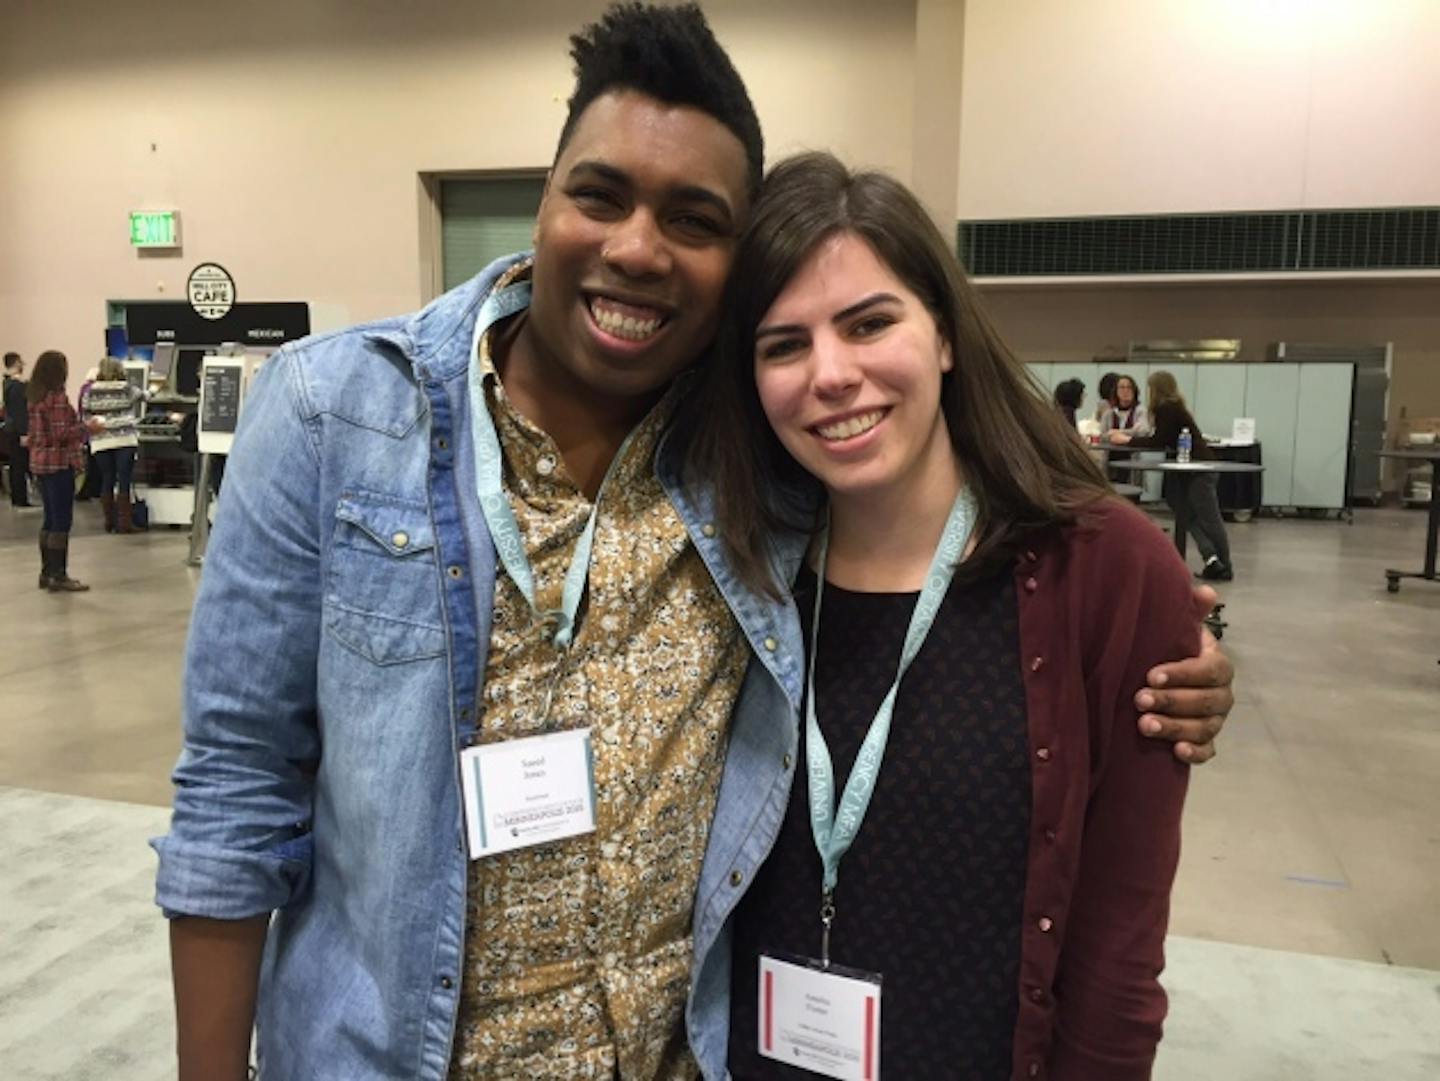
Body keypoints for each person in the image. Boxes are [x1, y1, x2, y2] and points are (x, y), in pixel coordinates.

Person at [153, 7, 1234, 1080]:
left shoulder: (748, 460)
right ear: (545, 198)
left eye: (695, 219)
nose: (636, 248)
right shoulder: (332, 413)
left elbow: (950, 533)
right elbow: (234, 792)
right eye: (601, 195)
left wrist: (1163, 654)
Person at [683, 152, 1198, 1081]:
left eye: (869, 322)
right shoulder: (743, 573)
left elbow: (1120, 947)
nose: (830, 374)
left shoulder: (1106, 571)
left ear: (947, 334)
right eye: (784, 343)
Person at [1109, 370, 1233, 581]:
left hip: (1199, 467)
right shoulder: (1174, 408)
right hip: (1189, 465)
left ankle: (1224, 565)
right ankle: (1212, 558)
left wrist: (1126, 441)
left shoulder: (1167, 409)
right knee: (1182, 510)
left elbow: (1159, 440)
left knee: (1208, 517)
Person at [26, 351, 97, 592]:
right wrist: (87, 428)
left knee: (49, 518)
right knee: (61, 520)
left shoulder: (34, 395)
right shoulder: (56, 397)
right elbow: (61, 433)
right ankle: (59, 574)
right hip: (58, 464)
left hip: (40, 463)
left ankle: (46, 572)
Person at [80, 357, 146, 533]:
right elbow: (144, 396)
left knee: (107, 478)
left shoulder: (90, 390)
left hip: (101, 440)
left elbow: (85, 413)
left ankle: (109, 521)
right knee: (124, 479)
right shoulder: (125, 388)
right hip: (124, 438)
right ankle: (125, 522)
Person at [3, 352, 34, 507]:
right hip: (17, 430)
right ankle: (20, 498)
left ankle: (18, 497)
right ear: (16, 363)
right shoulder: (16, 387)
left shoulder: (7, 384)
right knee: (20, 465)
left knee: (17, 464)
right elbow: (19, 412)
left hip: (11, 429)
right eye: (21, 362)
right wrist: (24, 433)